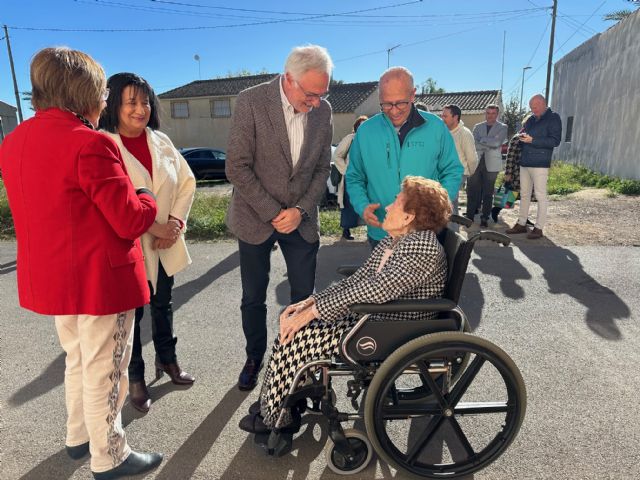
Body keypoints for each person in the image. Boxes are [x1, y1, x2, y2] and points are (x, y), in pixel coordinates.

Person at [0, 47, 164, 479]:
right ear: (85, 93)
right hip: (100, 280)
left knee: (78, 360)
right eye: (104, 93)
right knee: (107, 371)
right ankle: (110, 455)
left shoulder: (15, 140)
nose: (107, 102)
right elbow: (130, 218)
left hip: (54, 277)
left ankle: (78, 438)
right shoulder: (90, 143)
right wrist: (147, 196)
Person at [238, 176, 450, 435]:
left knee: (296, 336)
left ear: (409, 217)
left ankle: (278, 416)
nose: (388, 206)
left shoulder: (422, 248)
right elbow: (358, 281)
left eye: (396, 202)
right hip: (373, 317)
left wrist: (313, 314)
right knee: (293, 326)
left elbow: (375, 289)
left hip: (390, 325)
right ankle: (280, 402)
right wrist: (310, 303)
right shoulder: (393, 242)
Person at [225, 45, 334, 391]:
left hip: (300, 217)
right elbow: (236, 167)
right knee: (253, 296)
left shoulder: (324, 110)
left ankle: (298, 361)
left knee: (305, 297)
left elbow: (321, 168)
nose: (316, 102)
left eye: (322, 94)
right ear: (289, 79)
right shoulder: (251, 102)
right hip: (256, 216)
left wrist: (300, 210)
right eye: (311, 94)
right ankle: (254, 356)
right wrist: (274, 213)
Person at [99, 73, 196, 414]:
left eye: (145, 102)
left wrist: (174, 223)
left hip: (163, 243)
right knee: (133, 315)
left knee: (163, 304)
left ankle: (167, 361)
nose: (140, 110)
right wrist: (153, 226)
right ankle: (136, 377)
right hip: (129, 245)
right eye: (131, 102)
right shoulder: (104, 144)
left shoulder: (161, 141)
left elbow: (187, 182)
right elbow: (111, 200)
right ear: (114, 105)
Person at [346, 67, 463, 249]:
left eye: (401, 103)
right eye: (386, 104)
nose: (393, 111)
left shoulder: (436, 128)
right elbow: (354, 177)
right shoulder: (365, 131)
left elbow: (453, 171)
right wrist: (362, 206)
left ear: (413, 95)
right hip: (381, 232)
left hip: (425, 233)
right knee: (382, 277)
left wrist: (435, 209)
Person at [506, 94, 562, 239]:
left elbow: (555, 141)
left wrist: (533, 140)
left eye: (535, 107)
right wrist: (522, 137)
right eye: (531, 107)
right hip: (525, 162)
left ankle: (538, 228)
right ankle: (521, 223)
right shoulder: (531, 119)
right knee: (524, 195)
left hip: (540, 163)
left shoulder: (553, 118)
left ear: (543, 104)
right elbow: (524, 133)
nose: (533, 110)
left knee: (540, 195)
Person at [466, 104, 508, 227]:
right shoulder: (477, 126)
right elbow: (473, 143)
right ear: (485, 114)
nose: (490, 116)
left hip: (492, 164)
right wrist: (489, 141)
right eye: (488, 113)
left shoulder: (502, 127)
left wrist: (482, 140)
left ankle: (485, 218)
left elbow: (497, 143)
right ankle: (469, 217)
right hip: (477, 162)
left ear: (497, 114)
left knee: (488, 193)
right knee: (472, 190)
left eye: (493, 113)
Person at [332, 115, 368, 240]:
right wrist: (347, 171)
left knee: (367, 203)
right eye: (361, 125)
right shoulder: (350, 139)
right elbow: (337, 155)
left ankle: (370, 230)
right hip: (351, 178)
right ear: (356, 127)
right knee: (349, 203)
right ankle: (346, 231)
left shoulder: (370, 140)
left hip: (366, 178)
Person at [440, 104, 478, 221]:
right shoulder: (443, 131)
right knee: (447, 203)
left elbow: (472, 158)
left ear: (455, 117)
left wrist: (469, 173)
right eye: (442, 115)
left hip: (458, 173)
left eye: (445, 116)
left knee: (449, 203)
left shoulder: (465, 133)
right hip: (443, 173)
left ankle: (453, 233)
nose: (442, 118)